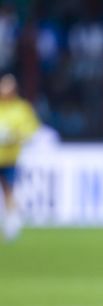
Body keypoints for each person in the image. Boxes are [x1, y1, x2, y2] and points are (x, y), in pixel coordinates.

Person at [0, 73, 39, 241]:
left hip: (10, 158)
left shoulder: (22, 108)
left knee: (9, 191)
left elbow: (31, 130)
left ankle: (11, 224)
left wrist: (13, 135)